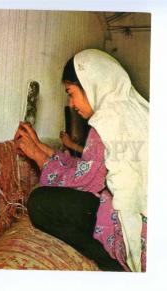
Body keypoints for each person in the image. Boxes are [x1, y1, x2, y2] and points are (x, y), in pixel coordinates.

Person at [14, 49, 148, 272]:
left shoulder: (107, 120)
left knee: (39, 202)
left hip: (133, 228)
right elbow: (91, 167)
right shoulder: (132, 110)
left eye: (71, 92)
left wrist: (38, 156)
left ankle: (112, 264)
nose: (71, 103)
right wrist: (43, 149)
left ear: (90, 84)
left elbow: (86, 181)